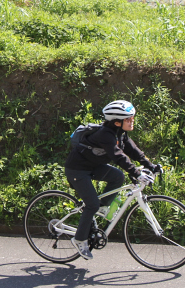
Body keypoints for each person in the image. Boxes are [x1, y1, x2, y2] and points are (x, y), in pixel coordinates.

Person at [64, 99, 161, 260]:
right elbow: (118, 156)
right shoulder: (105, 135)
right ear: (117, 122)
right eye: (128, 119)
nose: (132, 121)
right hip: (77, 170)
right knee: (91, 204)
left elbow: (133, 151)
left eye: (132, 118)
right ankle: (79, 239)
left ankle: (102, 208)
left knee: (118, 176)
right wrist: (137, 173)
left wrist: (150, 165)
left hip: (92, 167)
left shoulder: (120, 134)